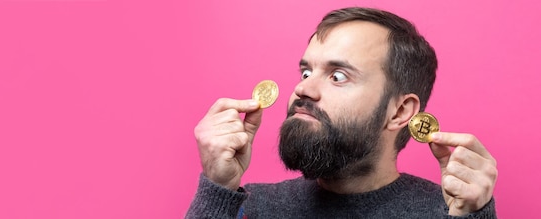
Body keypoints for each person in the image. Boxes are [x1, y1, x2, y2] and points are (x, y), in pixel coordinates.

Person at [186, 7, 497, 218]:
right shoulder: (248, 207)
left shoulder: (447, 212)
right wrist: (218, 189)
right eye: (306, 73)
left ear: (400, 111)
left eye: (338, 76)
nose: (303, 90)